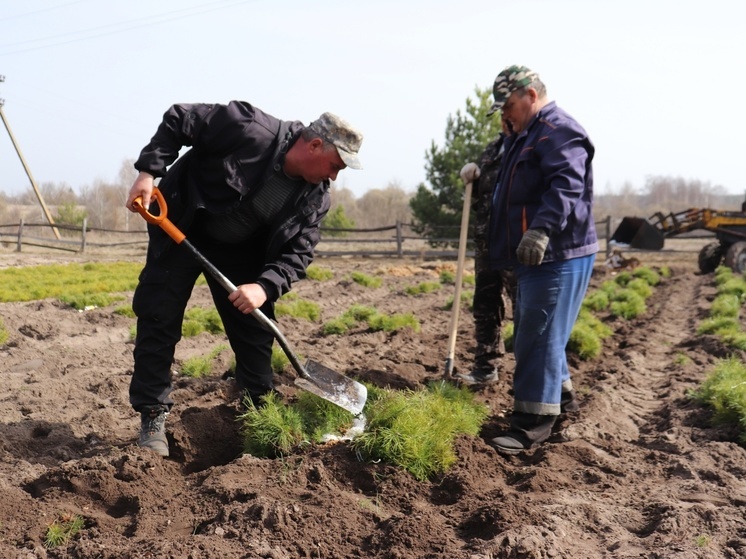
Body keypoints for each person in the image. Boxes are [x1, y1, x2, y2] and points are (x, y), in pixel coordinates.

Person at [124, 101, 363, 457]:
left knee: (256, 332)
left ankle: (258, 412)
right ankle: (152, 417)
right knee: (159, 317)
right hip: (183, 225)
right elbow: (180, 119)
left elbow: (298, 254)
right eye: (335, 165)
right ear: (314, 145)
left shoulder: (315, 198)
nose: (334, 176)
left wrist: (263, 287)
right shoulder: (248, 127)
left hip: (241, 251)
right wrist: (147, 173)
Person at [485, 65, 598, 455]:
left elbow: (567, 184)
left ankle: (531, 425)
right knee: (541, 334)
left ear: (531, 95)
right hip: (537, 256)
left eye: (511, 105)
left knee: (537, 336)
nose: (506, 115)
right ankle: (562, 401)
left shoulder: (557, 130)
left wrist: (541, 229)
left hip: (557, 253)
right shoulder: (527, 133)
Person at [457, 122, 516, 385]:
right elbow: (483, 197)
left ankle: (532, 376)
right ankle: (485, 367)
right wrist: (473, 180)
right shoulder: (494, 148)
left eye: (508, 111)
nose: (505, 119)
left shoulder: (527, 146)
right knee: (485, 305)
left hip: (516, 243)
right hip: (487, 242)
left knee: (525, 308)